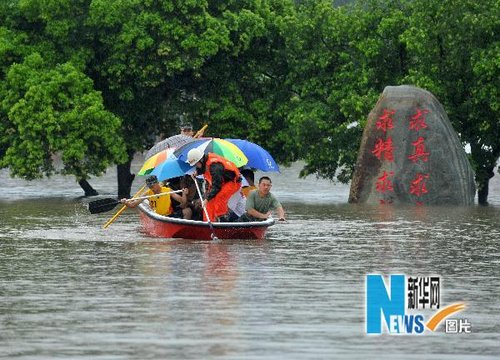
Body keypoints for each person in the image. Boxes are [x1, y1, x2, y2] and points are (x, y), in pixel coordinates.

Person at [186, 148, 241, 222]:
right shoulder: (205, 162)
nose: (196, 165)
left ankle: (222, 219)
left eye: (196, 163)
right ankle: (208, 222)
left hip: (232, 182)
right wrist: (197, 172)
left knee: (219, 198)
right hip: (222, 182)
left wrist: (207, 198)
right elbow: (203, 168)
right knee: (208, 203)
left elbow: (217, 186)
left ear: (201, 160)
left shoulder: (215, 167)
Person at [121, 175, 191, 218]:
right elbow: (133, 205)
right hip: (157, 216)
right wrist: (126, 202)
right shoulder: (148, 193)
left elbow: (183, 201)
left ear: (157, 183)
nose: (152, 189)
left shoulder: (168, 190)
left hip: (168, 216)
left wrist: (184, 194)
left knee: (187, 211)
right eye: (150, 187)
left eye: (153, 186)